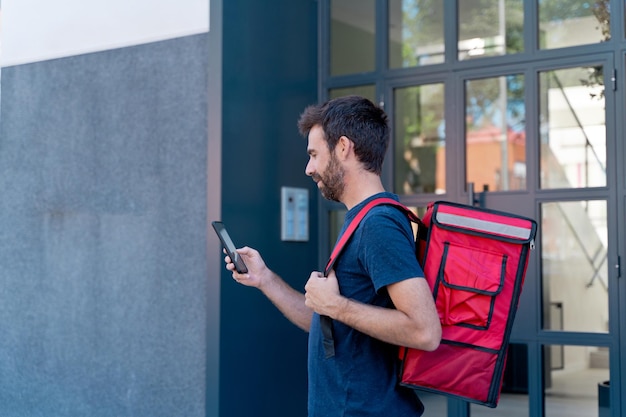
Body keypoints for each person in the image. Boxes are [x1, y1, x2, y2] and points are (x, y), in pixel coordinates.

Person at [223, 95, 442, 417]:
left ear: (343, 148)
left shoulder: (377, 224)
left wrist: (336, 305)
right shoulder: (360, 219)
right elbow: (327, 324)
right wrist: (265, 280)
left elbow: (425, 332)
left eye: (314, 154)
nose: (308, 168)